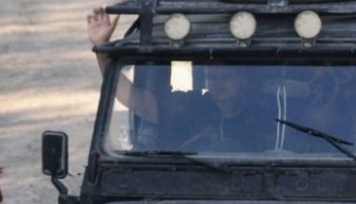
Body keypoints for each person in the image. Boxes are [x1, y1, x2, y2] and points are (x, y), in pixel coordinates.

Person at [86, 9, 272, 151]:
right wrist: (101, 49)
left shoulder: (265, 116)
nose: (218, 84)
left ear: (244, 79)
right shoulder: (194, 110)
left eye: (226, 77)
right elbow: (138, 102)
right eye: (212, 78)